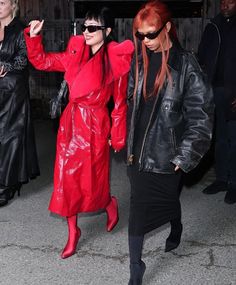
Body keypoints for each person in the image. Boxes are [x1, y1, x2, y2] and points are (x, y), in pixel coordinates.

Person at [24, 7, 134, 259]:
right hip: (71, 124)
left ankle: (108, 203)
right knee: (66, 180)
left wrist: (118, 133)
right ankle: (73, 232)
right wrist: (33, 37)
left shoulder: (115, 60)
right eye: (84, 27)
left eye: (93, 28)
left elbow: (119, 103)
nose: (86, 32)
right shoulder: (75, 54)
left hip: (95, 125)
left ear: (107, 31)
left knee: (92, 181)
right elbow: (43, 61)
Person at [126, 1, 214, 283]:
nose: (145, 41)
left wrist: (184, 156)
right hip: (137, 152)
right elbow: (132, 104)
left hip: (167, 152)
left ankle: (175, 226)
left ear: (166, 27)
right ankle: (135, 270)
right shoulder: (138, 61)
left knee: (167, 202)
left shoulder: (185, 64)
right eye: (140, 35)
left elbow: (201, 115)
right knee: (138, 209)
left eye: (151, 34)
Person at [0, 0, 40, 207]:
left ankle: (7, 185)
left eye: (1, 2)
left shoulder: (21, 29)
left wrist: (4, 65)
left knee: (10, 136)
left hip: (14, 90)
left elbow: (25, 59)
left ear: (13, 5)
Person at [198, 0, 236, 204]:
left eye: (230, 1)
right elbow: (202, 57)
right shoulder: (213, 26)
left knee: (234, 139)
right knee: (219, 138)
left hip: (234, 92)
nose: (225, 5)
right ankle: (221, 179)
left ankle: (234, 184)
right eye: (223, 1)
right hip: (215, 90)